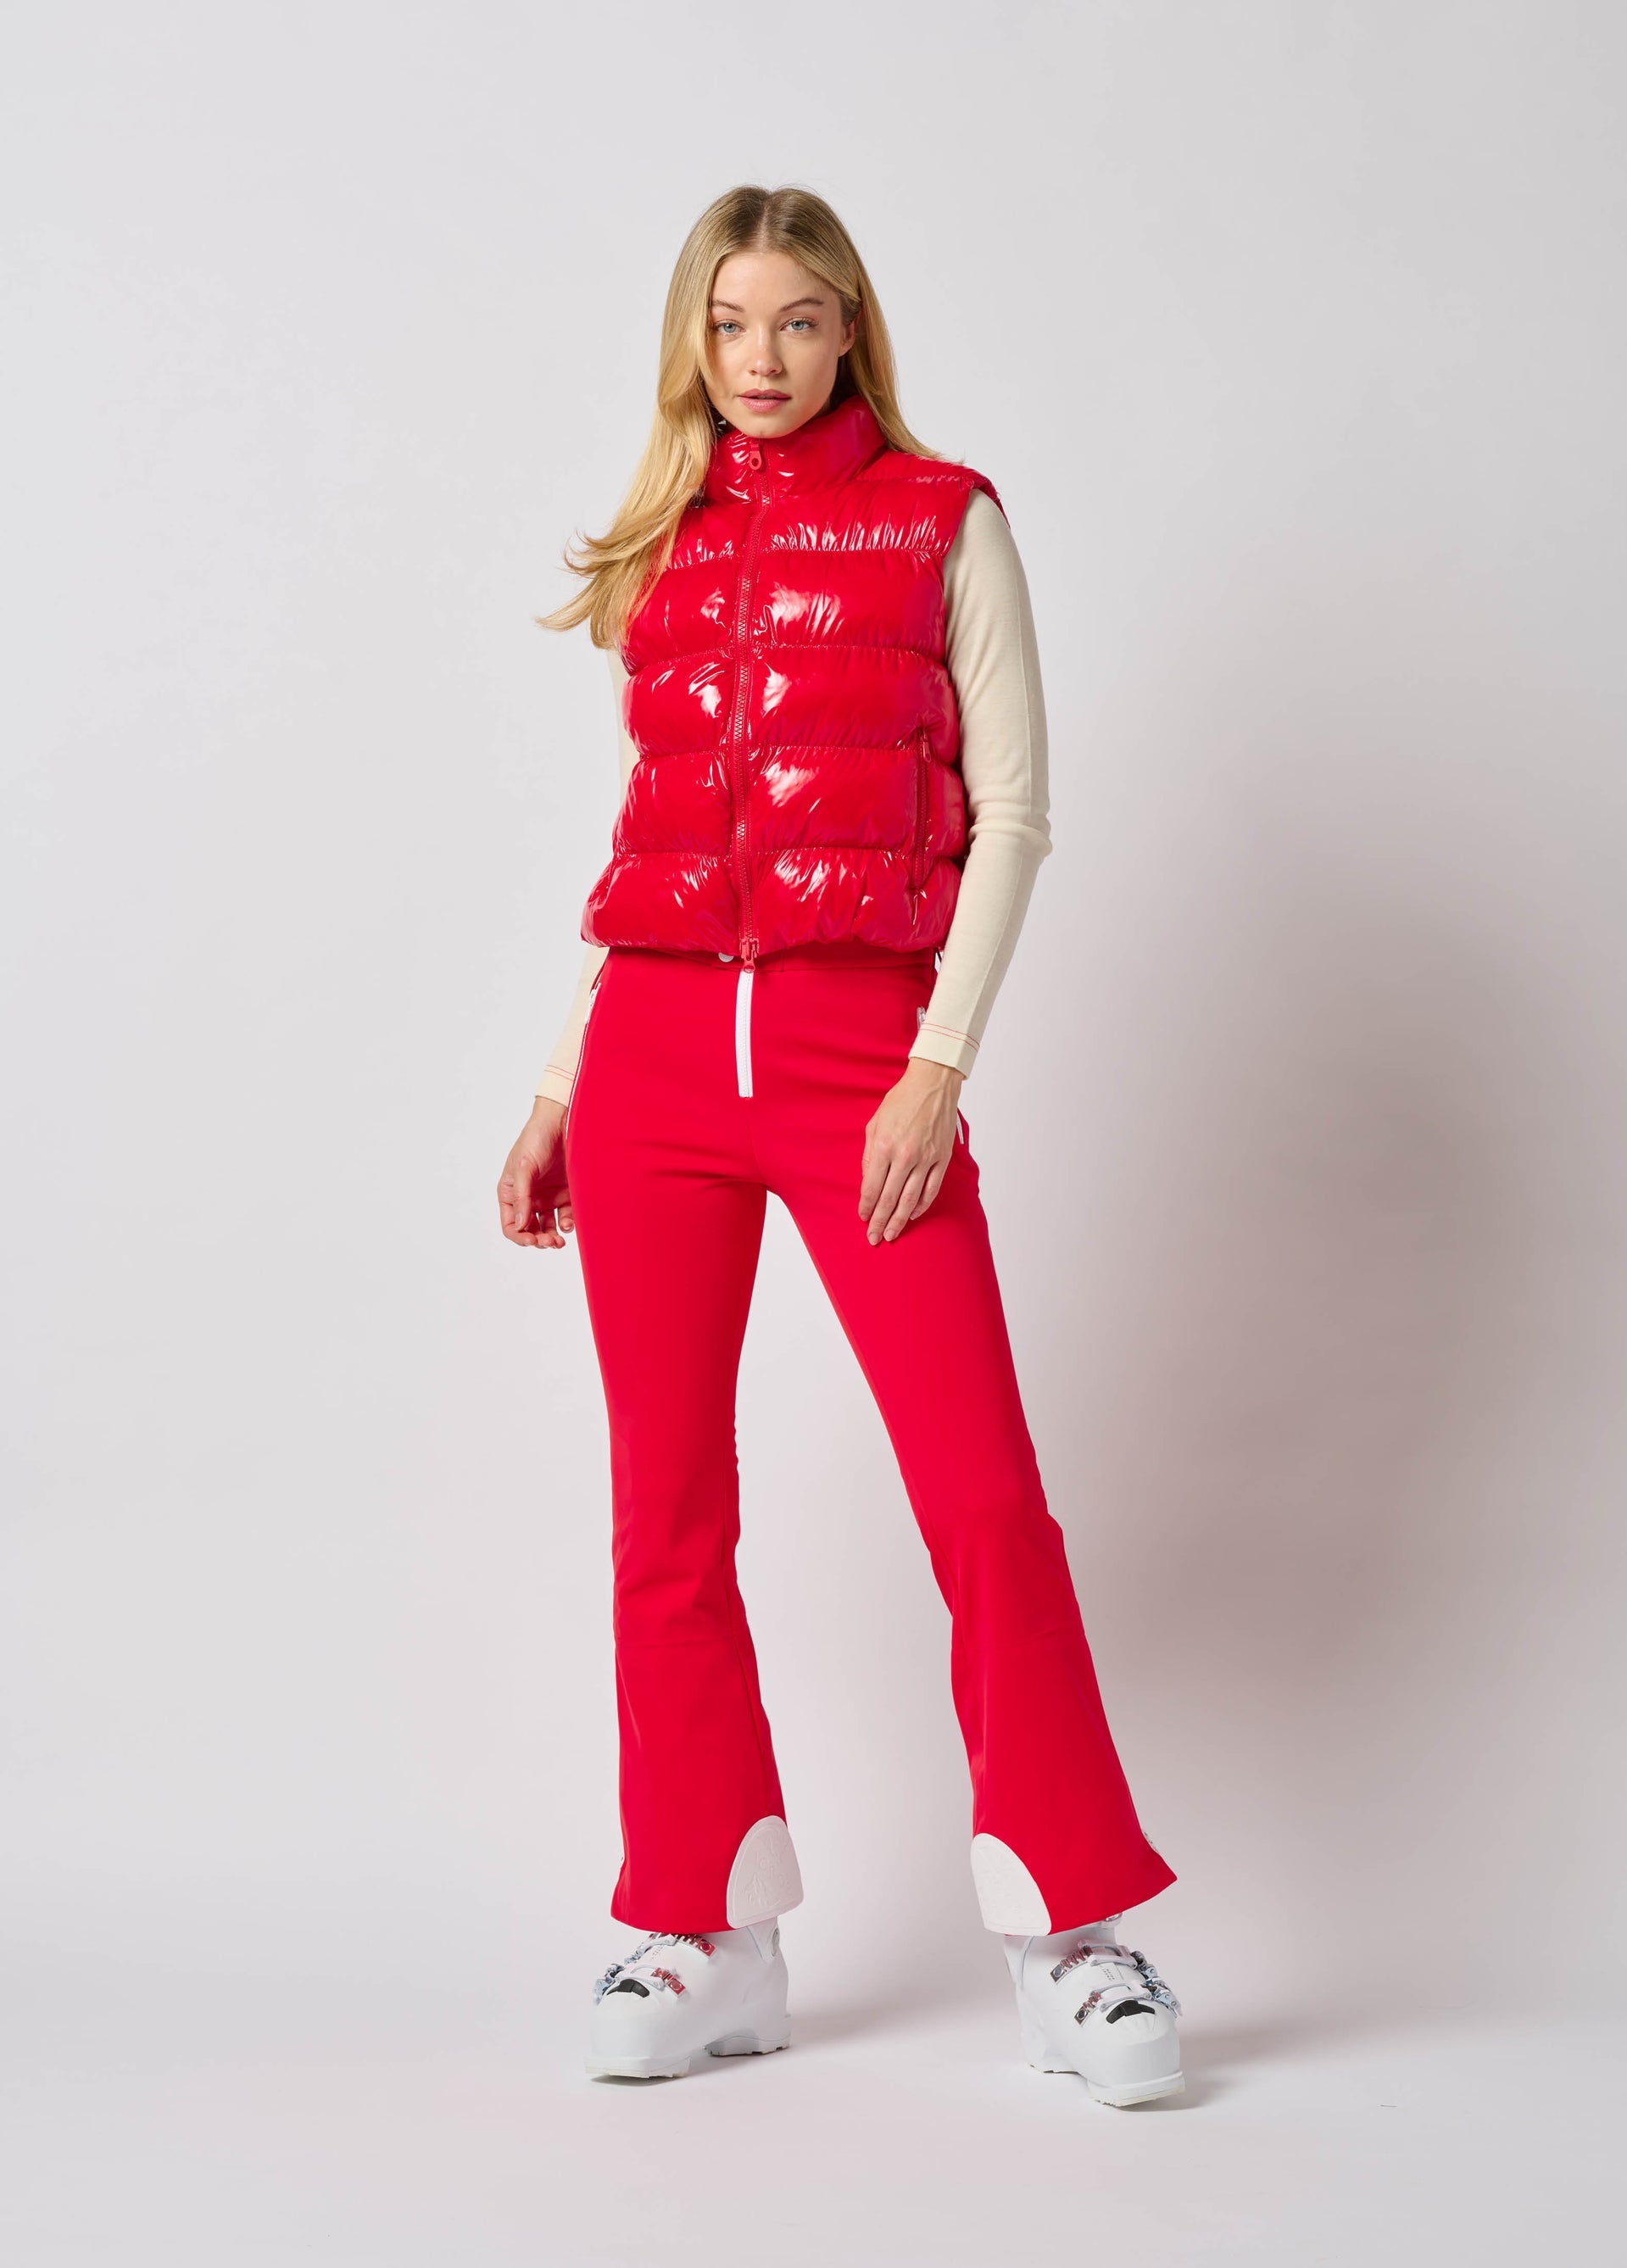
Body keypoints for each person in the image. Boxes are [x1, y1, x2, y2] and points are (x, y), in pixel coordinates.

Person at [497, 184, 1182, 2108]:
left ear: (850, 329)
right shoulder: (663, 545)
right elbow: (644, 840)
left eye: (797, 320)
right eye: (729, 323)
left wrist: (935, 1066)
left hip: (857, 1055)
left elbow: (1013, 812)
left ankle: (1075, 1934)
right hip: (649, 1063)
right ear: (690, 338)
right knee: (665, 1513)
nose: (762, 357)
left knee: (982, 1500)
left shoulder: (946, 516)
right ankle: (703, 1931)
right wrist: (559, 1081)